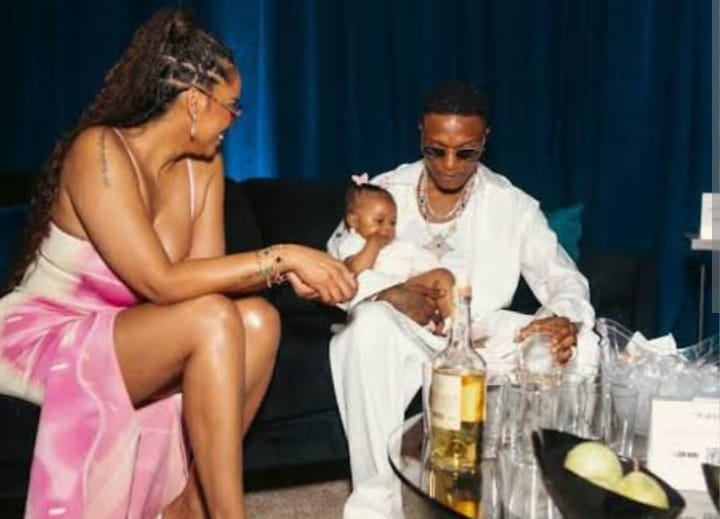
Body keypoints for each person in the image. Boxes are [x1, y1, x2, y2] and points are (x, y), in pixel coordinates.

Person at [0, 7, 356, 519]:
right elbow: (162, 282)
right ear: (194, 101)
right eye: (231, 106)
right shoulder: (98, 151)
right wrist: (282, 256)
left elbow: (204, 281)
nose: (235, 119)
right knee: (212, 319)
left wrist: (287, 275)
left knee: (259, 320)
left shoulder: (205, 167)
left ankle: (188, 506)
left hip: (134, 328)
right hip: (53, 333)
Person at [327, 81, 598, 519]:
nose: (449, 164)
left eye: (465, 152)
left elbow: (562, 278)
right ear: (420, 133)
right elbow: (335, 271)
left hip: (480, 336)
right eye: (436, 150)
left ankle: (545, 496)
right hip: (401, 331)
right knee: (367, 328)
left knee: (581, 344)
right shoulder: (381, 191)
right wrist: (387, 294)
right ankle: (376, 506)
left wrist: (562, 320)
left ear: (485, 140)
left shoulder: (512, 205)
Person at [338, 176, 455, 334]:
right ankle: (426, 327)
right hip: (376, 298)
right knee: (398, 298)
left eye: (392, 223)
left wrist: (430, 283)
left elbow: (423, 261)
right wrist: (373, 244)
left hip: (408, 286)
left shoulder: (398, 245)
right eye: (379, 221)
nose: (387, 228)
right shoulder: (353, 242)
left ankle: (454, 325)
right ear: (353, 221)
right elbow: (356, 270)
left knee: (443, 275)